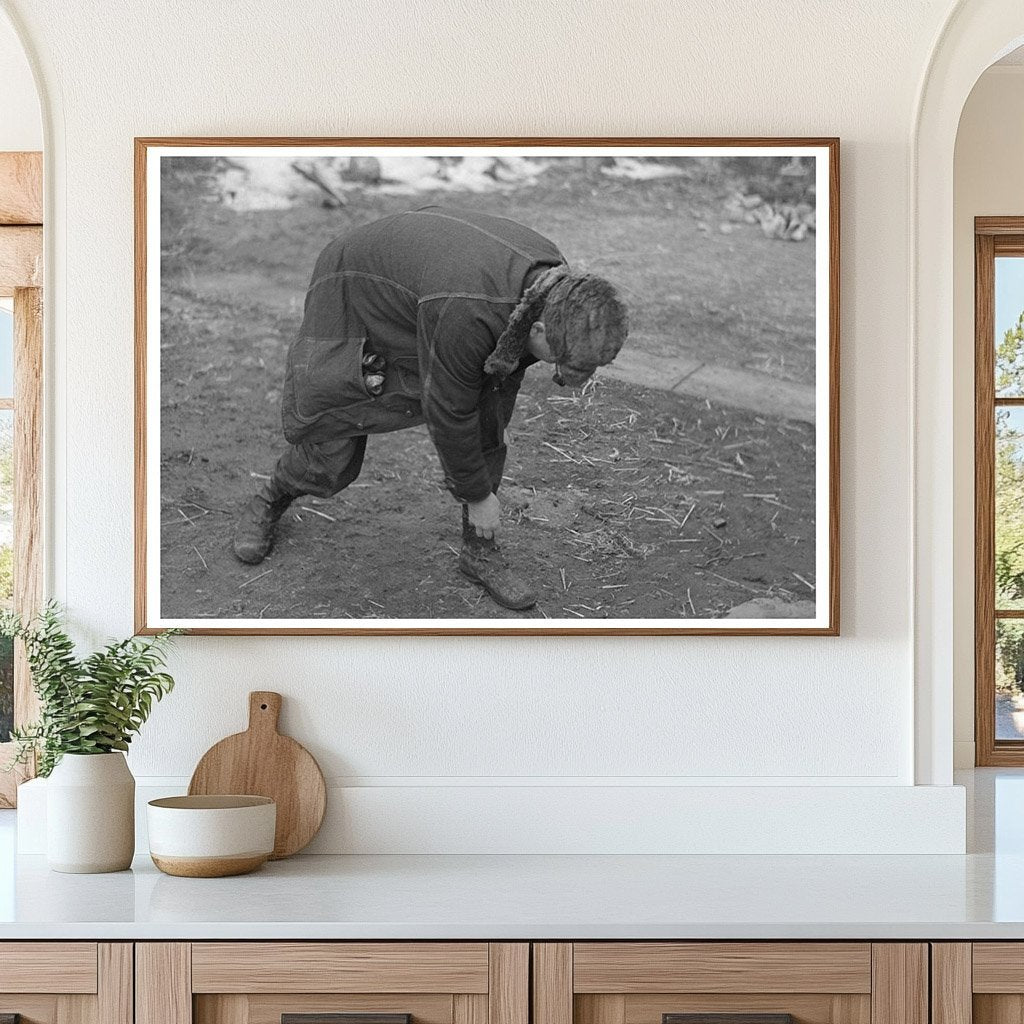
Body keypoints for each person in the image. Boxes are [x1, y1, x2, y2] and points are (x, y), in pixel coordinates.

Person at [232, 205, 628, 611]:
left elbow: (495, 384)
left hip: (431, 286)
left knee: (489, 416)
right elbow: (448, 411)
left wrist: (483, 458)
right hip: (354, 281)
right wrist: (477, 496)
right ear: (540, 329)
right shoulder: (467, 313)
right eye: (561, 361)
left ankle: (479, 553)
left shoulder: (557, 289)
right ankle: (270, 498)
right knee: (334, 446)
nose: (565, 373)